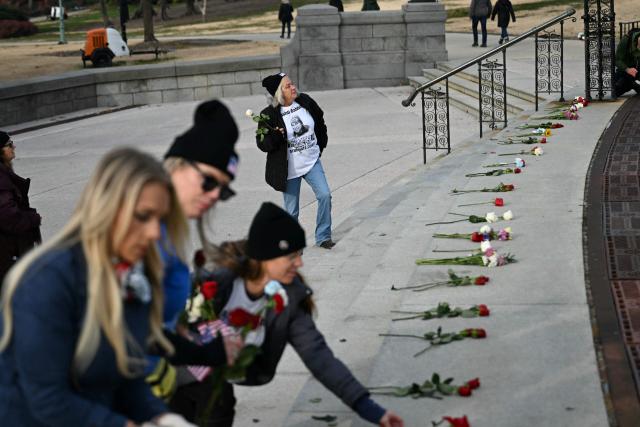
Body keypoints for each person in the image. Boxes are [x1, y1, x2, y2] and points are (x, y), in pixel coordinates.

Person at [0, 147, 196, 427]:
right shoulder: (46, 282)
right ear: (107, 210)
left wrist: (161, 416)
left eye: (160, 219)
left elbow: (126, 380)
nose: (154, 232)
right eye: (143, 216)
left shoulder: (135, 279)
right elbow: (45, 398)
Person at [170, 202, 405, 427]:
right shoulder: (216, 279)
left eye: (299, 254)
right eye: (291, 256)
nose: (300, 263)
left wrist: (371, 410)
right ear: (265, 256)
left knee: (219, 401)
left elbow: (318, 356)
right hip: (176, 366)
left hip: (219, 378)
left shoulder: (288, 298)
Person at [146, 99, 243, 401]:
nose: (214, 195)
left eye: (223, 190)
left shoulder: (166, 232)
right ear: (177, 164)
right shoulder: (138, 230)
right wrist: (205, 351)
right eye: (209, 181)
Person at [256, 72, 336, 250]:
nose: (293, 87)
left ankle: (323, 236)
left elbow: (319, 121)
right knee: (292, 211)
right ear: (278, 93)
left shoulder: (305, 101)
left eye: (292, 84)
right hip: (289, 169)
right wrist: (276, 136)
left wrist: (320, 144)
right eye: (288, 86)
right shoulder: (268, 115)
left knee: (325, 195)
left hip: (311, 161)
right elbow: (262, 144)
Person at [0, 131, 41, 288]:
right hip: (6, 253)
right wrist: (33, 219)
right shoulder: (1, 177)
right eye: (9, 145)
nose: (13, 147)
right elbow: (7, 216)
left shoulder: (4, 172)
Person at [614, 28, 640, 97]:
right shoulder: (626, 40)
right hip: (626, 70)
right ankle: (633, 85)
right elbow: (617, 60)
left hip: (637, 69)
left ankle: (633, 84)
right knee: (615, 91)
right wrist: (627, 69)